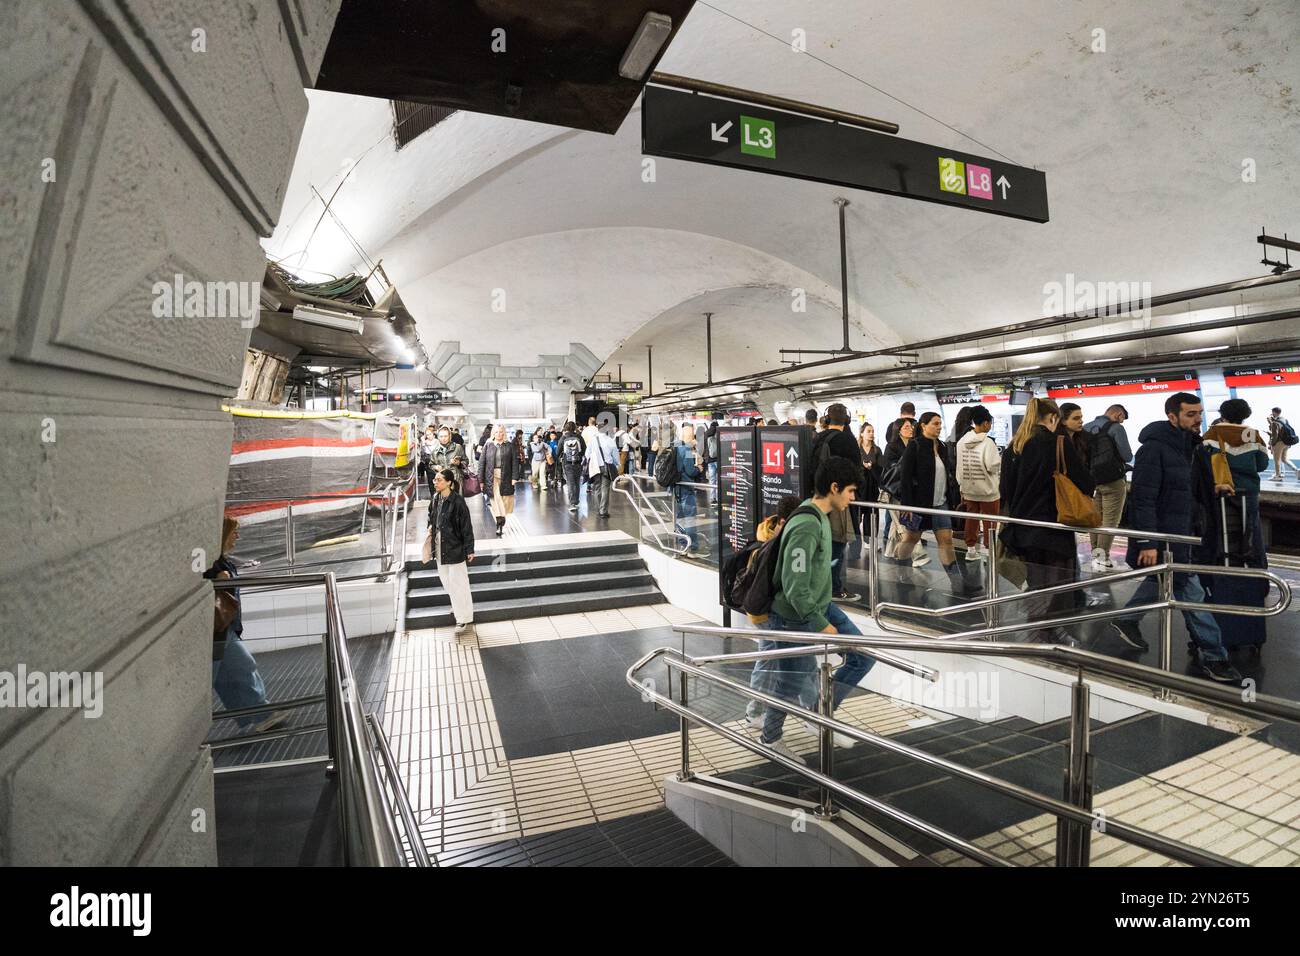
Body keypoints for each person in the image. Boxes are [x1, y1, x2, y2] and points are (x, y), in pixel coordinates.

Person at [1110, 392, 1240, 681]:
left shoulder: (1191, 447)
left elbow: (1186, 489)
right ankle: (1215, 656)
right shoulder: (1153, 450)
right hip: (1166, 537)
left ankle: (1126, 618)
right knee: (1191, 595)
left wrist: (1214, 490)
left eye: (1200, 413)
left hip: (1184, 533)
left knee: (1161, 581)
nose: (1198, 419)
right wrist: (1147, 543)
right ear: (1172, 417)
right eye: (1191, 414)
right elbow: (1143, 499)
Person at [754, 457, 875, 759]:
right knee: (789, 682)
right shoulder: (807, 524)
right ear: (834, 488)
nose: (852, 497)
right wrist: (818, 621)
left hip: (820, 606)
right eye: (849, 490)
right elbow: (794, 585)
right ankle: (769, 739)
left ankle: (818, 711)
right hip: (796, 616)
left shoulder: (819, 515)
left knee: (862, 657)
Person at [999, 398, 1094, 644]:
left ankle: (1038, 630)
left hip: (1023, 527)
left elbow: (1006, 490)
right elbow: (1086, 482)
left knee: (1037, 582)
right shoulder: (1058, 443)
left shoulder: (1014, 447)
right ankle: (1046, 633)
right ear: (1053, 418)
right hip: (1053, 527)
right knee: (1056, 585)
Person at [203, 517, 288, 733]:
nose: (237, 537)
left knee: (241, 669)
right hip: (214, 632)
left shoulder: (221, 562)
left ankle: (261, 714)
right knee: (220, 677)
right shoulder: (212, 566)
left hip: (223, 629)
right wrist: (216, 580)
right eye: (234, 532)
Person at [893, 411, 982, 597]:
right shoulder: (915, 446)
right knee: (911, 539)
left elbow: (947, 474)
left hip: (940, 503)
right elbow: (906, 479)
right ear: (924, 426)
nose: (939, 427)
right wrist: (907, 507)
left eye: (940, 423)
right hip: (919, 505)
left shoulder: (941, 447)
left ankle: (958, 584)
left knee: (946, 541)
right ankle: (901, 573)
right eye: (935, 423)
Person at [1199, 399, 1269, 567]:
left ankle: (1224, 568)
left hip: (1219, 489)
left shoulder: (1211, 434)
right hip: (1249, 491)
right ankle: (1253, 568)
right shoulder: (1253, 434)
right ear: (1245, 415)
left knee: (1220, 529)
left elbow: (1202, 463)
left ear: (1222, 414)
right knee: (1250, 530)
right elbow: (1262, 464)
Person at [810, 403, 865, 602]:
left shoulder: (818, 437)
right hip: (837, 499)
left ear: (826, 419)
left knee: (823, 543)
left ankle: (822, 584)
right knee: (838, 543)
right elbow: (856, 471)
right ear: (847, 419)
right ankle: (835, 588)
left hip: (818, 497)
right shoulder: (847, 439)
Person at [422, 468, 477, 636]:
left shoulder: (458, 501)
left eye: (439, 480)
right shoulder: (436, 498)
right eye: (435, 480)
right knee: (446, 581)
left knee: (459, 584)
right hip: (440, 547)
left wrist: (470, 549)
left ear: (449, 482)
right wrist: (430, 527)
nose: (435, 482)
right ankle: (459, 607)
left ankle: (463, 618)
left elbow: (466, 527)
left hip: (455, 548)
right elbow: (431, 516)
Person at [1084, 403, 1132, 571]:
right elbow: (1127, 455)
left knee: (1095, 521)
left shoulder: (1086, 427)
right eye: (1122, 419)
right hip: (1113, 481)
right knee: (1110, 521)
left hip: (1093, 481)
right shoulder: (1116, 428)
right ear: (1118, 414)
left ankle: (1096, 555)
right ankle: (1101, 557)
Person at [879, 417, 928, 566]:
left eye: (911, 427)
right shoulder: (892, 446)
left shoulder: (915, 444)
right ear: (898, 430)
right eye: (906, 427)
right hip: (894, 490)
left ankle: (890, 552)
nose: (910, 429)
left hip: (909, 489)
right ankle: (917, 554)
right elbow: (890, 466)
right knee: (903, 524)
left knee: (896, 525)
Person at [956, 405, 1001, 561]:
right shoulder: (988, 443)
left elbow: (959, 467)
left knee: (971, 519)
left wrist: (962, 486)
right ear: (986, 423)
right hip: (988, 490)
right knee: (990, 521)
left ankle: (970, 550)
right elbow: (992, 465)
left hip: (969, 489)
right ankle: (990, 553)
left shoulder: (962, 441)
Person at [478, 424, 520, 536]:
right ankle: (499, 522)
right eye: (497, 432)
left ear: (504, 433)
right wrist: (480, 480)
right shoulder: (488, 445)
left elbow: (515, 463)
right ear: (493, 433)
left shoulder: (510, 446)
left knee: (505, 499)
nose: (499, 434)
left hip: (506, 475)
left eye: (501, 432)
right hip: (491, 477)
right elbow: (482, 463)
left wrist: (515, 477)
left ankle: (502, 517)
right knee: (496, 499)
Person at [674, 423, 705, 551]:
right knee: (690, 519)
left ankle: (682, 543)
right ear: (690, 436)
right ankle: (692, 546)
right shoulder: (686, 450)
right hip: (686, 488)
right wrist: (699, 468)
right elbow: (690, 471)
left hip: (676, 488)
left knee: (680, 518)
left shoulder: (676, 446)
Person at [583, 422, 620, 519]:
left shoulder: (592, 440)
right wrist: (617, 464)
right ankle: (603, 511)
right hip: (606, 467)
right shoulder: (610, 440)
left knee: (597, 488)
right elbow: (615, 455)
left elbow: (587, 454)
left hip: (595, 467)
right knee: (605, 489)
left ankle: (599, 509)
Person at [856, 421, 883, 542]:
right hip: (859, 487)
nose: (871, 434)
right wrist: (862, 466)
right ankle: (854, 541)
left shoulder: (877, 450)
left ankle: (870, 540)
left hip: (872, 486)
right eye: (868, 431)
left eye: (873, 431)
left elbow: (882, 468)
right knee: (857, 514)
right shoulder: (856, 449)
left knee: (872, 514)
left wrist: (873, 467)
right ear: (862, 433)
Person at [558, 421, 586, 512]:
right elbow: (584, 450)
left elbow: (558, 451)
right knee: (577, 482)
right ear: (575, 428)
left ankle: (572, 503)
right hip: (578, 463)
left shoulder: (563, 438)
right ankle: (576, 501)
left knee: (570, 483)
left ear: (566, 428)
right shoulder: (579, 437)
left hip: (567, 463)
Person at [1266, 407, 1298, 481]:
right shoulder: (1284, 419)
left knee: (1276, 460)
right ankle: (1296, 470)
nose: (1271, 414)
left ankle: (1278, 476)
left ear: (1274, 412)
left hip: (1279, 443)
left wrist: (1271, 444)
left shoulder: (1275, 423)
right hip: (1286, 443)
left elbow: (1275, 435)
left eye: (1272, 412)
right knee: (1284, 459)